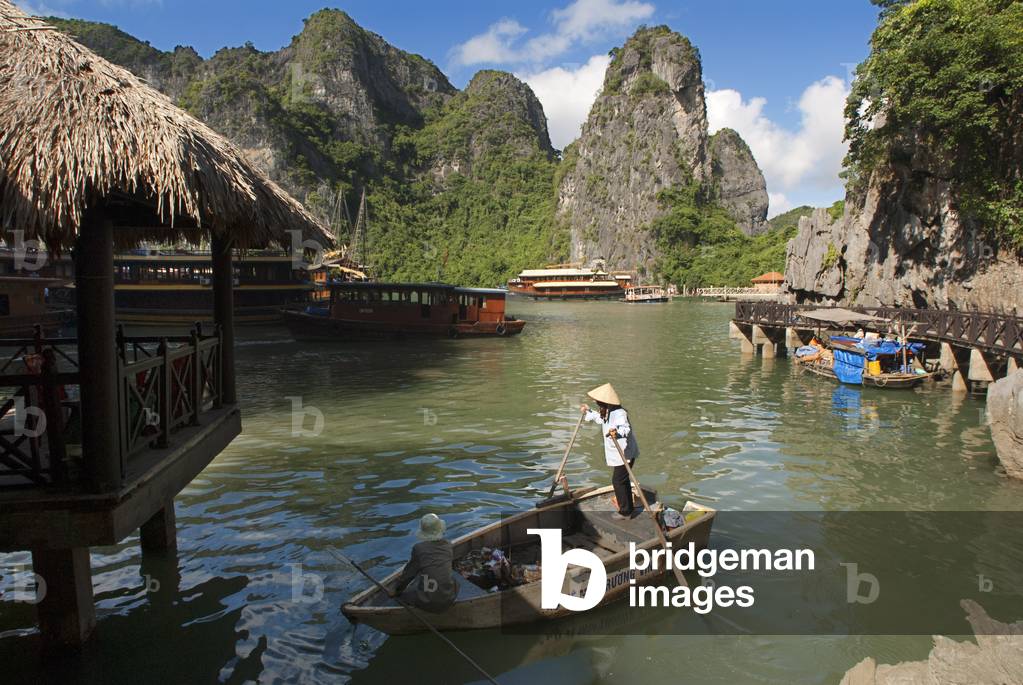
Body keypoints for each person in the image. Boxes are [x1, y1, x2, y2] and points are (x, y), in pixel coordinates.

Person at [581, 383, 639, 520]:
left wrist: (616, 432)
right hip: (617, 453)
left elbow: (626, 429)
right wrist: (588, 412)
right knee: (621, 480)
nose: (596, 402)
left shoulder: (620, 413)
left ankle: (626, 511)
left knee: (618, 481)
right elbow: (600, 419)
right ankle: (627, 508)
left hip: (625, 453)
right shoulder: (607, 411)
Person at [391, 513, 458, 612]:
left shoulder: (419, 548)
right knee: (455, 582)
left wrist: (396, 590)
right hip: (449, 596)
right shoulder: (448, 545)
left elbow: (409, 574)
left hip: (428, 601)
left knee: (403, 597)